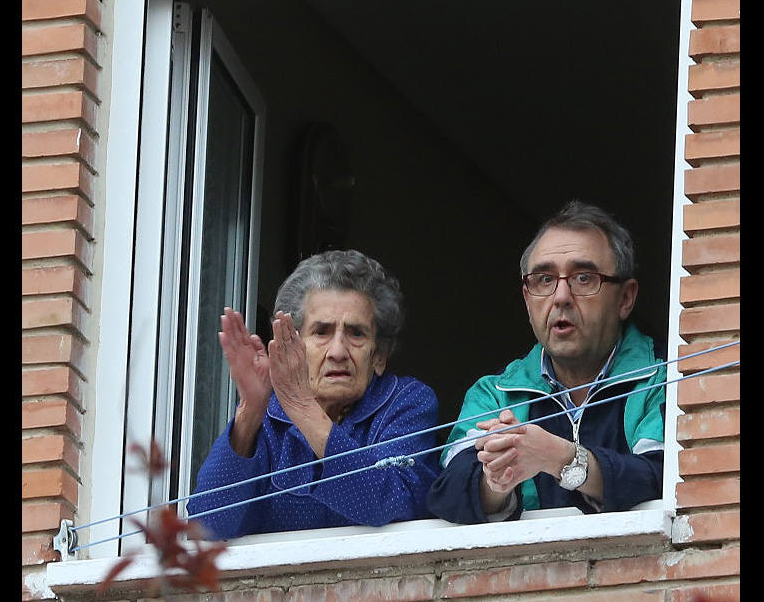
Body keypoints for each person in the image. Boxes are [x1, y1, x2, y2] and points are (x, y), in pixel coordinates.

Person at [427, 201, 666, 524]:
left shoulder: (662, 376)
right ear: (528, 300)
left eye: (583, 278)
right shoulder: (496, 393)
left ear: (625, 299)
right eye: (544, 279)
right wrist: (497, 479)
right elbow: (446, 494)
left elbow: (669, 480)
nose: (561, 297)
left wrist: (563, 459)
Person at [187, 249, 440, 538]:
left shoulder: (408, 402)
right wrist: (250, 411)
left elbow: (392, 502)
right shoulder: (267, 416)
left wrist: (304, 409)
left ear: (379, 356)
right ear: (292, 347)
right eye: (322, 332)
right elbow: (206, 528)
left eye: (356, 333)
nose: (338, 352)